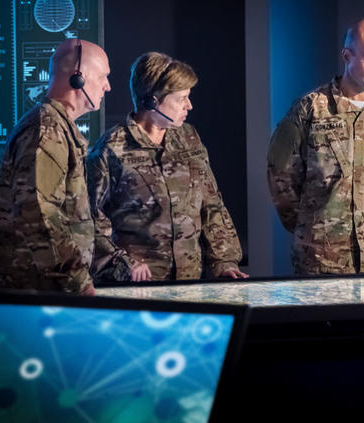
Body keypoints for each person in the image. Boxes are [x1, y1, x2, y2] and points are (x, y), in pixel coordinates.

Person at [267, 18, 364, 275]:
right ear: (347, 56)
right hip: (322, 259)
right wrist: (312, 225)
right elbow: (281, 176)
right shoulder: (310, 109)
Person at [86, 52, 247, 283]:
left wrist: (224, 262)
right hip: (139, 289)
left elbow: (211, 203)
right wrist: (122, 263)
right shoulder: (111, 150)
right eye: (181, 98)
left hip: (190, 284)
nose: (189, 106)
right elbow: (87, 220)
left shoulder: (189, 138)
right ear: (152, 100)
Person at [0, 39, 110, 296]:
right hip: (31, 293)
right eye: (104, 76)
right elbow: (39, 216)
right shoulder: (46, 131)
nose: (108, 86)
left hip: (46, 290)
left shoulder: (57, 127)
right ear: (79, 78)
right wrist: (77, 282)